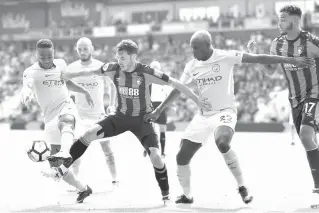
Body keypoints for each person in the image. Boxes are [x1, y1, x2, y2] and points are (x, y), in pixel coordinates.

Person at [144, 29, 315, 204]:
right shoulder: (191, 65)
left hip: (225, 112)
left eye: (196, 48)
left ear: (208, 45)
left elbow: (258, 58)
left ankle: (242, 187)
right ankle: (187, 196)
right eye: (191, 48)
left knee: (223, 142)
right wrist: (159, 110)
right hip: (203, 116)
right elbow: (178, 88)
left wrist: (290, 60)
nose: (193, 52)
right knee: (181, 157)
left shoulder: (226, 56)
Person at [42, 39, 212, 203]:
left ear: (133, 57)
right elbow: (90, 71)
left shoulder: (146, 72)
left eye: (123, 58)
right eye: (118, 57)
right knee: (88, 135)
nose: (119, 61)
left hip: (142, 121)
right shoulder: (113, 69)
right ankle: (61, 169)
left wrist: (197, 101)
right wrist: (70, 74)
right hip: (120, 117)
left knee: (156, 157)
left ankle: (165, 194)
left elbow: (177, 84)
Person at [247, 5, 319, 208]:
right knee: (308, 140)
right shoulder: (276, 44)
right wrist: (255, 56)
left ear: (294, 22)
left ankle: (317, 189)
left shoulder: (311, 42)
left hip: (314, 95)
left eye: (282, 19)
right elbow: (269, 72)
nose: (278, 22)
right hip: (295, 100)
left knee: (306, 135)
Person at [21, 39, 93, 203]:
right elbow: (26, 87)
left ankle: (66, 151)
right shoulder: (30, 71)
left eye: (49, 56)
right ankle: (83, 189)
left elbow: (67, 83)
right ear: (36, 54)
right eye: (42, 56)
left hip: (66, 106)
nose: (46, 59)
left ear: (54, 53)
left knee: (66, 121)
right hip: (49, 117)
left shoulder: (61, 63)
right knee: (55, 166)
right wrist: (26, 95)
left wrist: (84, 92)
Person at [67, 37, 119, 188]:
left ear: (91, 48)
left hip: (99, 115)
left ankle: (115, 179)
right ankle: (76, 182)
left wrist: (111, 104)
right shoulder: (72, 67)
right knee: (75, 151)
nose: (82, 52)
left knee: (106, 148)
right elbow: (65, 86)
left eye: (85, 48)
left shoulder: (100, 66)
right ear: (77, 50)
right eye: (80, 49)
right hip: (80, 116)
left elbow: (112, 85)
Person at [143, 61, 171, 158]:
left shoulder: (164, 81)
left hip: (161, 106)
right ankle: (147, 148)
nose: (155, 69)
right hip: (150, 106)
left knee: (162, 130)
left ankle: (162, 152)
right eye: (153, 67)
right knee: (150, 130)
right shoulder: (147, 80)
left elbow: (169, 95)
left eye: (156, 68)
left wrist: (172, 105)